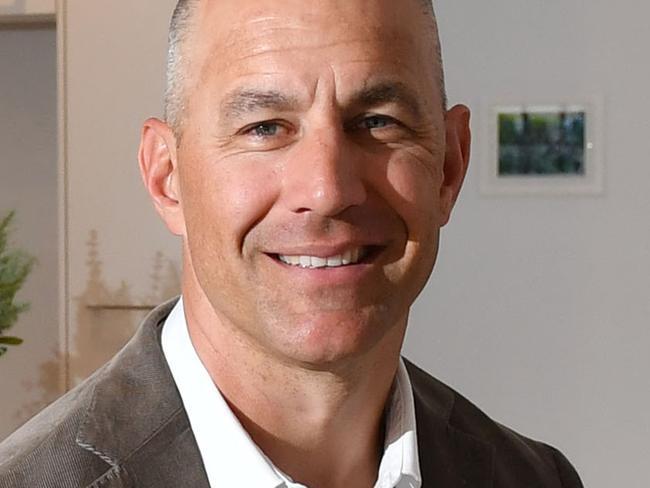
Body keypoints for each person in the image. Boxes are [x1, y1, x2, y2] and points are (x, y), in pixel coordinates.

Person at [0, 0, 584, 486]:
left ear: (449, 167)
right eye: (264, 128)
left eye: (378, 121)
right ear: (167, 178)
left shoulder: (534, 477)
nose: (328, 189)